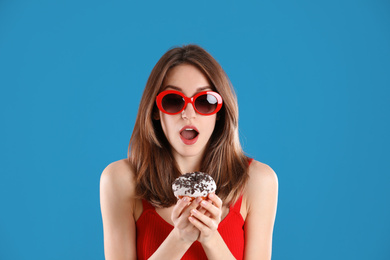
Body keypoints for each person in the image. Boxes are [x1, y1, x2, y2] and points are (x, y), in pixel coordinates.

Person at [100, 44, 278, 260]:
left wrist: (211, 238)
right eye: (173, 101)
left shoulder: (258, 181)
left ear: (219, 113)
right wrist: (180, 238)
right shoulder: (120, 179)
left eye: (205, 101)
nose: (188, 113)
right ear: (156, 111)